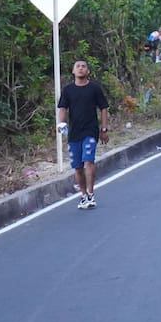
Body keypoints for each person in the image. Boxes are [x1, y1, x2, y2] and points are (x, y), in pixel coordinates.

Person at [57, 59, 111, 210]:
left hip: (90, 131)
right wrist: (61, 124)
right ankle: (83, 195)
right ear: (73, 71)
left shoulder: (94, 88)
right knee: (78, 167)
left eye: (84, 66)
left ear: (88, 71)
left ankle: (91, 193)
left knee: (88, 161)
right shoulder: (68, 90)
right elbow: (62, 108)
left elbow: (104, 108)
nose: (81, 69)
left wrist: (104, 129)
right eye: (78, 66)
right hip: (74, 133)